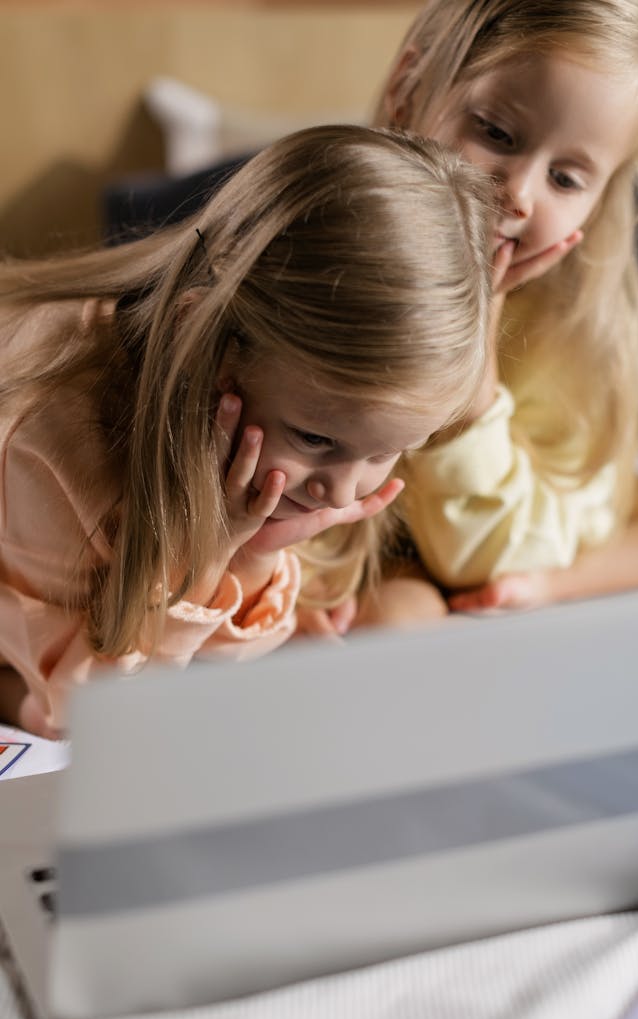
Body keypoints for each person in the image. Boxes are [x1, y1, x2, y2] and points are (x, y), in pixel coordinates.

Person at [0, 124, 493, 738]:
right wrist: (205, 557)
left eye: (390, 452)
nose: (343, 496)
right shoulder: (48, 439)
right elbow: (90, 718)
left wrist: (254, 550)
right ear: (200, 342)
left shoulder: (299, 428)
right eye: (315, 440)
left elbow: (213, 658)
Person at [352, 0, 638, 627]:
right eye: (496, 134)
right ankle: (543, 583)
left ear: (599, 201)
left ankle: (557, 584)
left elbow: (493, 548)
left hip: (512, 531)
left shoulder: (580, 326)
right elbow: (469, 560)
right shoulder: (322, 250)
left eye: (566, 179)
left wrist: (481, 333)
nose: (519, 194)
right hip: (383, 546)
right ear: (407, 90)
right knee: (400, 617)